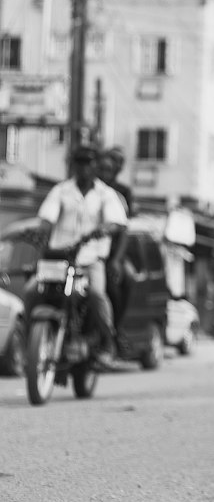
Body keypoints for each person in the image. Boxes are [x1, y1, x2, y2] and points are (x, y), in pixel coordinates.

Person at [25, 144, 126, 367]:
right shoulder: (61, 191)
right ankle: (29, 344)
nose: (83, 168)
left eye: (87, 163)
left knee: (97, 295)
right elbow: (47, 218)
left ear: (94, 166)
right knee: (31, 290)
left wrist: (103, 229)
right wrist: (39, 230)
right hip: (59, 259)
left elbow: (116, 223)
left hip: (91, 259)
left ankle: (108, 341)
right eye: (79, 163)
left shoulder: (106, 194)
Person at [97, 145, 134, 351]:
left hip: (111, 251)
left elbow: (124, 229)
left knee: (125, 278)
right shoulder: (83, 191)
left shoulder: (120, 194)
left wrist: (116, 259)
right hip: (85, 251)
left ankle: (114, 329)